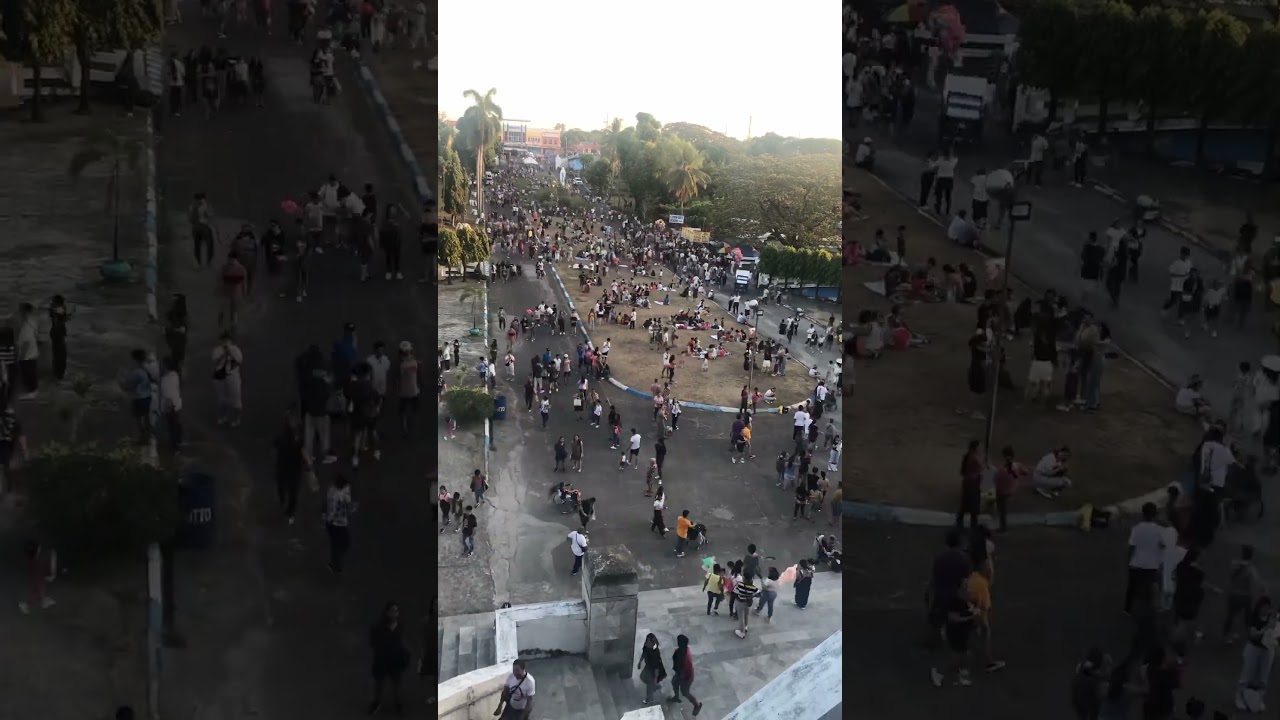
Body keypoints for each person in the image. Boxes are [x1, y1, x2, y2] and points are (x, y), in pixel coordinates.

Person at [368, 601, 409, 715]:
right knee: (379, 684)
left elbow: (401, 641)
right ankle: (377, 702)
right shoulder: (378, 626)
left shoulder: (400, 626)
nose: (394, 614)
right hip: (382, 660)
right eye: (392, 611)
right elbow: (372, 642)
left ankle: (397, 703)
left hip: (395, 660)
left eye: (396, 611)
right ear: (386, 612)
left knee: (396, 684)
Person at [323, 474, 355, 573]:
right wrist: (351, 509)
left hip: (331, 523)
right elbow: (340, 511)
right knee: (344, 543)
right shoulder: (339, 495)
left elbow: (326, 505)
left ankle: (334, 564)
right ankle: (335, 563)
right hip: (337, 524)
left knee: (335, 544)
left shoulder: (332, 490)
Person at [668, 634, 703, 715]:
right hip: (685, 674)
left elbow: (681, 670)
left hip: (686, 677)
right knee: (674, 683)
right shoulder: (686, 650)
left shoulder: (680, 655)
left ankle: (697, 705)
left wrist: (680, 678)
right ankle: (676, 697)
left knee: (685, 692)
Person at [637, 633, 667, 705]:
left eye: (649, 642)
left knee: (649, 685)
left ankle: (649, 699)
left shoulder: (655, 652)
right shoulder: (646, 646)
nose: (647, 643)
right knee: (642, 677)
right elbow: (643, 653)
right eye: (647, 641)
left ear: (652, 643)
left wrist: (655, 678)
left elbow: (656, 667)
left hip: (653, 670)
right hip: (648, 667)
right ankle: (655, 686)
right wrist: (640, 662)